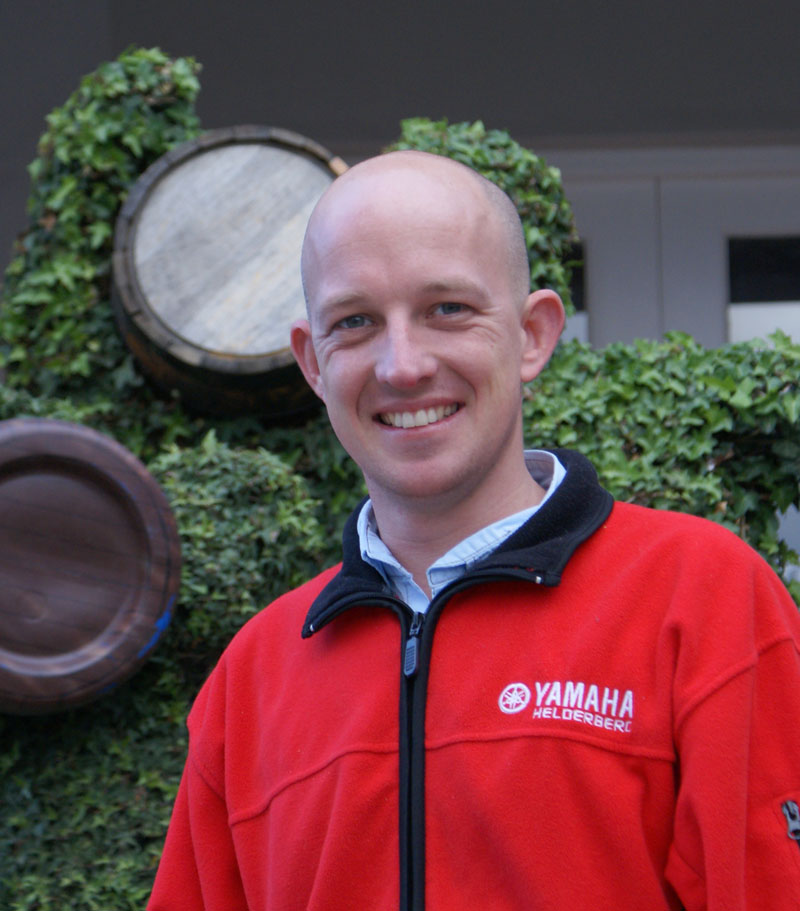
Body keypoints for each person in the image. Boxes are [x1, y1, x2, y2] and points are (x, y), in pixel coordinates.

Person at [147, 151, 800, 910]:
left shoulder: (702, 598)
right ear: (313, 362)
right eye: (355, 322)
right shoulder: (252, 678)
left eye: (447, 309)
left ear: (532, 335)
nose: (402, 366)